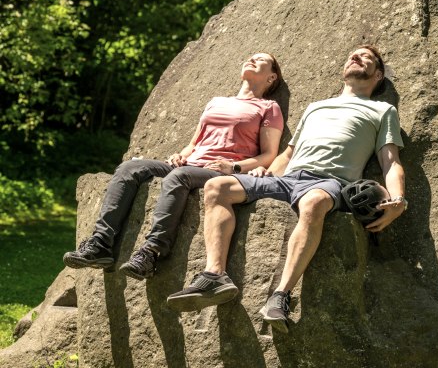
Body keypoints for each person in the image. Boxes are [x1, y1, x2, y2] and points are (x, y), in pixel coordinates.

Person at [165, 44, 407, 333]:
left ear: (377, 75)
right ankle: (214, 275)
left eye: (365, 57)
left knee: (315, 203)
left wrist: (398, 201)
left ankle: (280, 296)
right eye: (352, 55)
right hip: (287, 177)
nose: (355, 57)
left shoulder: (382, 110)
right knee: (217, 187)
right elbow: (288, 155)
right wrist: (259, 174)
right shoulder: (316, 107)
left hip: (329, 181)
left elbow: (390, 160)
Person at [63, 53, 284, 280]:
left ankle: (152, 252)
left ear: (271, 77)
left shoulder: (268, 107)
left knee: (179, 177)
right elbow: (194, 144)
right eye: (250, 56)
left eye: (260, 59)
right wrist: (180, 154)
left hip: (218, 170)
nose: (251, 59)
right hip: (189, 163)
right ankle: (100, 244)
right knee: (129, 168)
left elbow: (268, 155)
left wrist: (234, 167)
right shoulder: (217, 102)